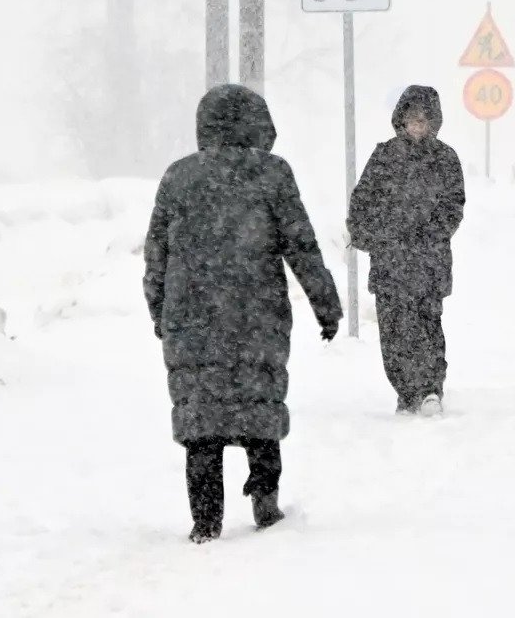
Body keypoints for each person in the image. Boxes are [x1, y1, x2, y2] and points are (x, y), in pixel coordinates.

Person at [143, 85, 343, 545]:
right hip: (258, 316)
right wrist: (325, 306)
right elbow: (301, 244)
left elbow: (156, 253)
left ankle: (205, 521)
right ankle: (266, 502)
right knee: (260, 408)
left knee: (201, 422)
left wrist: (160, 309)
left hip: (191, 320)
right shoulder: (272, 174)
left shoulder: (179, 177)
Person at [347, 86, 466, 416]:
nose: (416, 126)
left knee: (427, 324)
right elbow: (362, 201)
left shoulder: (445, 159)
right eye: (411, 119)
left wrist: (426, 237)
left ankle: (430, 388)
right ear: (401, 120)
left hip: (428, 263)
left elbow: (453, 207)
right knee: (393, 331)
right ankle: (406, 391)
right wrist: (368, 235)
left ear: (433, 123)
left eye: (423, 120)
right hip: (390, 264)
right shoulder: (384, 156)